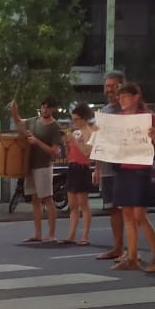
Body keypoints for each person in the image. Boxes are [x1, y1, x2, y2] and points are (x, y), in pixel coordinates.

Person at [106, 82, 155, 272]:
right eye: (119, 97)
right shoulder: (119, 118)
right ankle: (132, 257)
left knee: (139, 215)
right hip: (124, 169)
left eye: (124, 97)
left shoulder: (147, 118)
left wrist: (154, 138)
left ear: (135, 97)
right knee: (127, 214)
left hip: (140, 169)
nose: (121, 100)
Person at [10, 95, 62, 242]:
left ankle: (51, 234)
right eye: (43, 106)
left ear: (52, 109)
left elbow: (55, 151)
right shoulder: (33, 121)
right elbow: (18, 122)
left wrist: (37, 142)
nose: (44, 110)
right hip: (30, 165)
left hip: (44, 166)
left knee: (47, 199)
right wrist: (14, 110)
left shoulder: (55, 126)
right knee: (35, 200)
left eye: (47, 107)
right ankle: (38, 233)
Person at [93, 71, 126, 261]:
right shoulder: (104, 111)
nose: (109, 90)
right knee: (112, 208)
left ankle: (132, 251)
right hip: (106, 167)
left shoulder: (127, 109)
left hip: (124, 167)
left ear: (121, 86)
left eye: (112, 85)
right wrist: (97, 168)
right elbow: (98, 140)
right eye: (106, 86)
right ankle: (117, 248)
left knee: (128, 210)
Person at [59, 102, 95, 245]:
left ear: (84, 119)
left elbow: (87, 153)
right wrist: (67, 145)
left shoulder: (89, 133)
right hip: (72, 167)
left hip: (82, 168)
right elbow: (69, 155)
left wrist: (75, 141)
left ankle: (85, 235)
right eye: (73, 120)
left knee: (83, 203)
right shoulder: (75, 133)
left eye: (76, 120)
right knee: (73, 204)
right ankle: (71, 234)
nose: (74, 123)